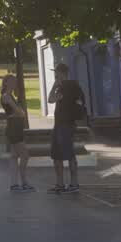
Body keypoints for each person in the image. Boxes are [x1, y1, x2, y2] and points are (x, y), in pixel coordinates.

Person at [48, 63, 86, 194]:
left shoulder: (65, 87)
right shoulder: (74, 86)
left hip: (64, 125)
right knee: (59, 154)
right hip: (65, 124)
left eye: (56, 72)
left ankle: (70, 184)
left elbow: (50, 99)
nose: (55, 75)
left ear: (61, 73)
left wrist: (54, 86)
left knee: (66, 154)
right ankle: (64, 184)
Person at [0, 75, 33, 192]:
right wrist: (19, 112)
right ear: (6, 83)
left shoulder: (12, 96)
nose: (14, 83)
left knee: (14, 156)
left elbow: (20, 112)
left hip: (16, 127)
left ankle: (14, 184)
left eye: (15, 81)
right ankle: (24, 182)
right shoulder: (6, 96)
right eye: (12, 81)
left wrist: (19, 113)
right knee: (25, 155)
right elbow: (21, 112)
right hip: (13, 128)